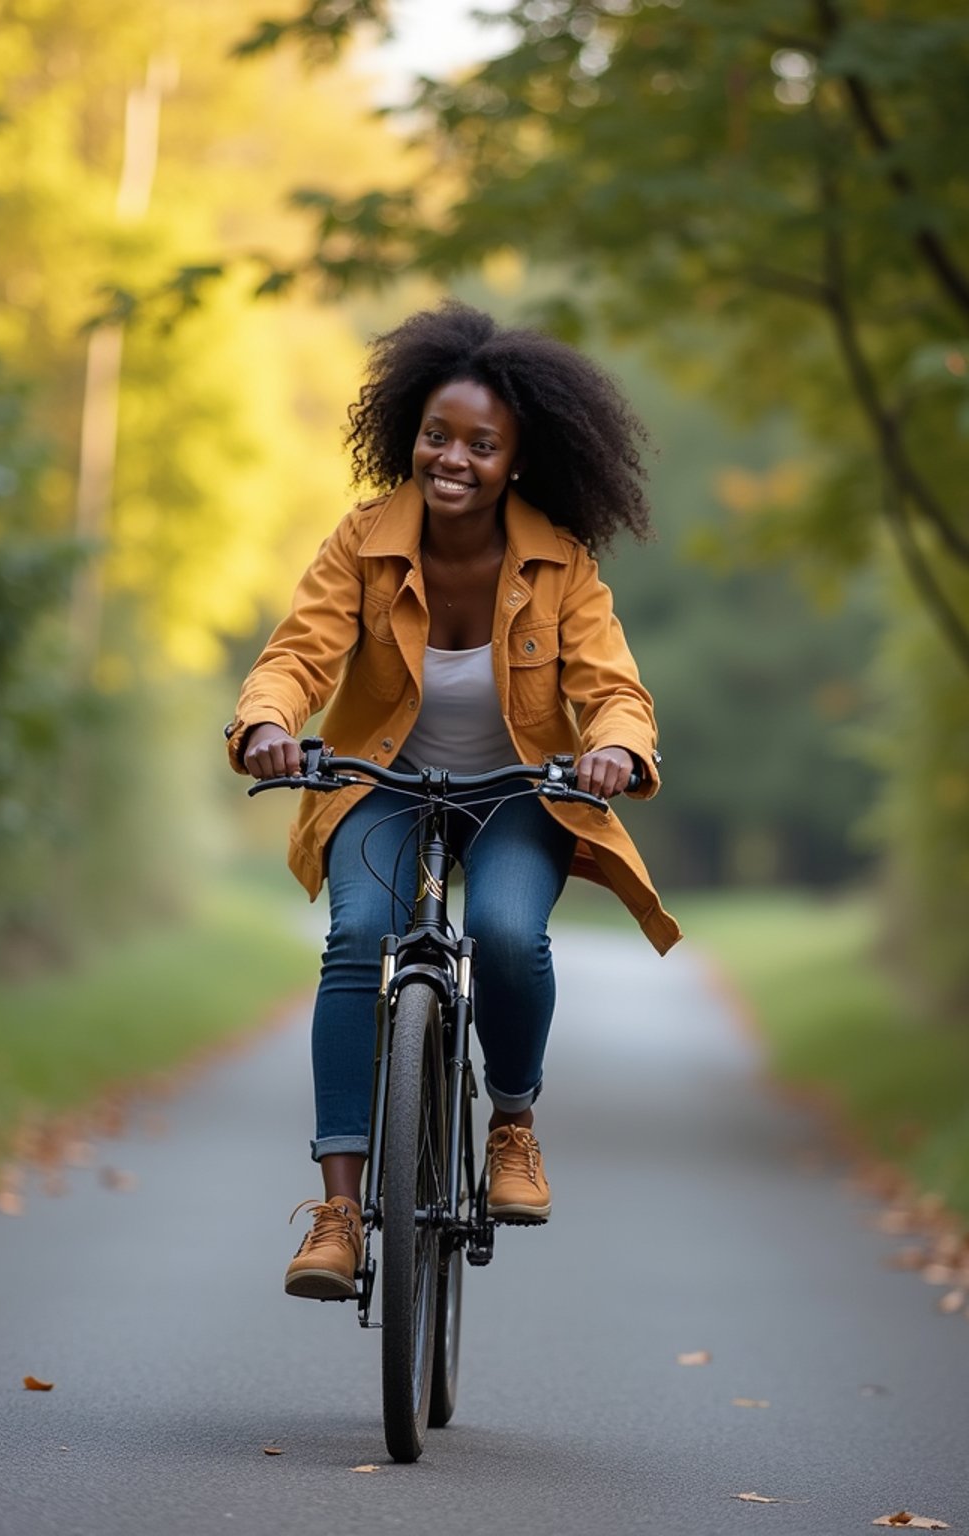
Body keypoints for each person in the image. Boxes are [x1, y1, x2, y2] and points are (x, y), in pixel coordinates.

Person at [225, 301, 680, 1300]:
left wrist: (611, 748)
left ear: (517, 457)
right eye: (437, 436)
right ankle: (340, 1213)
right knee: (356, 943)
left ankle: (511, 1124)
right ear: (408, 436)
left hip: (518, 793)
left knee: (512, 937)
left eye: (481, 444)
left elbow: (613, 688)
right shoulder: (363, 540)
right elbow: (298, 654)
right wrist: (265, 723)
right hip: (378, 787)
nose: (453, 458)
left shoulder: (561, 560)